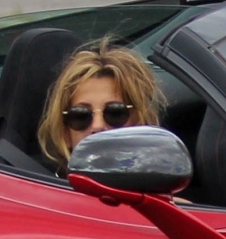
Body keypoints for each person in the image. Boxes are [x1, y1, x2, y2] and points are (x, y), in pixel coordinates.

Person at [36, 41, 165, 171]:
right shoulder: (47, 188)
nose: (97, 126)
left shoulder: (159, 184)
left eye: (115, 113)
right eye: (80, 115)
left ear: (139, 121)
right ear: (65, 133)